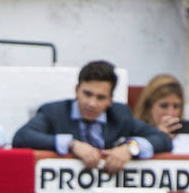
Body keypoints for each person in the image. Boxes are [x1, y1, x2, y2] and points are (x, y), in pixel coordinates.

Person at [11, 59, 172, 174]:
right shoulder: (54, 112)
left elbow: (162, 139)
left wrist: (130, 148)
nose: (92, 103)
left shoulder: (120, 114)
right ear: (76, 90)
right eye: (87, 94)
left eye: (100, 97)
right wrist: (71, 144)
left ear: (110, 100)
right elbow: (22, 137)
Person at [134, 74, 189, 155]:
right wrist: (157, 136)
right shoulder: (137, 141)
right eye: (164, 106)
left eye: (176, 106)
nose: (170, 113)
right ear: (149, 107)